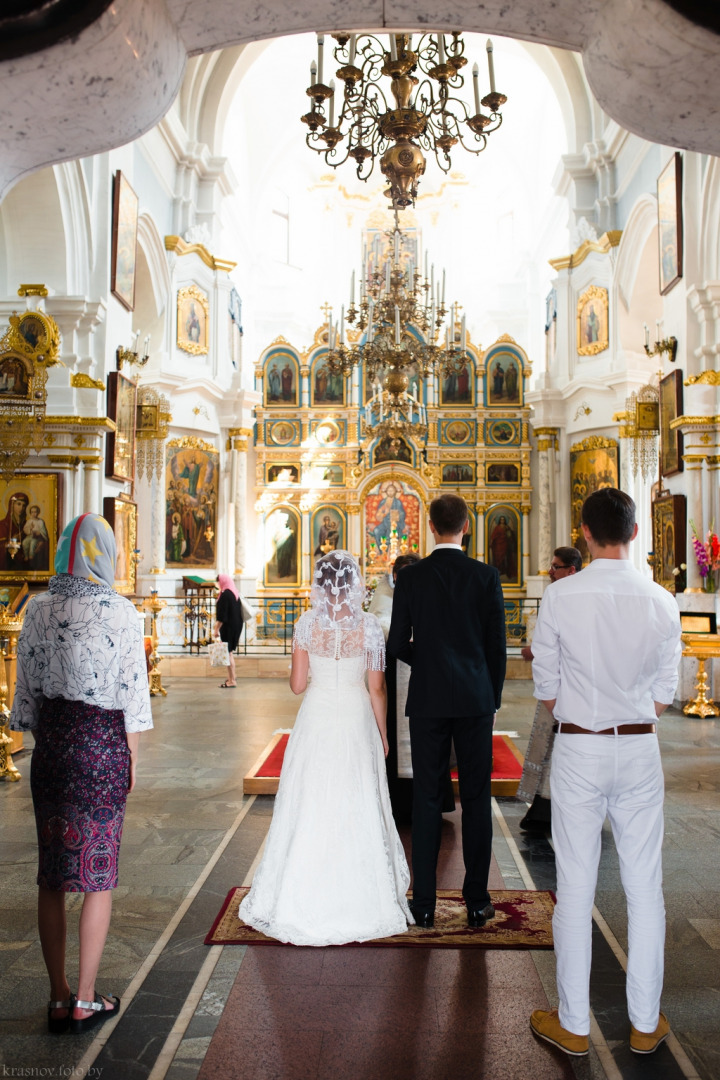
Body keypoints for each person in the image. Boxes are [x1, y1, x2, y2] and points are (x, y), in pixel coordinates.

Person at [530, 489, 682, 1058]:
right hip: (641, 748)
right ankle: (644, 1023)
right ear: (636, 532)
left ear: (586, 534)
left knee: (574, 883)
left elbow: (546, 687)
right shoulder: (662, 601)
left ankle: (573, 1023)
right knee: (645, 886)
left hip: (580, 748)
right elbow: (665, 695)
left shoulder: (562, 596)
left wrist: (583, 713)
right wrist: (630, 713)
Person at [9, 513, 153, 1034]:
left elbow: (23, 693)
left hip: (51, 751)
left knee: (51, 875)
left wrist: (36, 736)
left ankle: (56, 996)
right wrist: (131, 756)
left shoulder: (37, 609)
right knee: (97, 877)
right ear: (105, 555)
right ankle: (87, 999)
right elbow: (134, 696)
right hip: (103, 749)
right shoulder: (124, 613)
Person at [238, 551, 413, 944]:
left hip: (317, 717)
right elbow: (377, 688)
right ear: (355, 584)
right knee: (356, 796)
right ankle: (361, 894)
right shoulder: (369, 628)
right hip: (355, 718)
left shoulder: (305, 625)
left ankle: (301, 890)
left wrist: (307, 670)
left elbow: (298, 686)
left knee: (312, 798)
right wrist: (384, 734)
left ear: (321, 584)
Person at [387, 494, 507, 928]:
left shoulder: (413, 578)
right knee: (476, 798)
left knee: (426, 798)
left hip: (428, 700)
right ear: (467, 525)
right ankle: (477, 900)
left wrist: (432, 665)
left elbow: (398, 643)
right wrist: (490, 697)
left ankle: (423, 904)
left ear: (431, 527)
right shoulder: (486, 575)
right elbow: (497, 648)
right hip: (476, 700)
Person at [516, 546, 582, 833]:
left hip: (565, 685)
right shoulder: (560, 594)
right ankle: (543, 806)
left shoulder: (571, 596)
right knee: (546, 746)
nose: (550, 571)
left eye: (556, 566)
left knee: (555, 747)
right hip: (559, 683)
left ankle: (548, 809)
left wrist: (535, 652)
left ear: (572, 570)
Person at [214, 573, 244, 688]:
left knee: (228, 653)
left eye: (218, 582)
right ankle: (233, 677)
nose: (218, 584)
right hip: (236, 625)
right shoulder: (234, 592)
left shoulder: (226, 594)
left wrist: (216, 630)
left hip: (229, 627)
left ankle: (232, 680)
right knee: (229, 652)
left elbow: (222, 616)